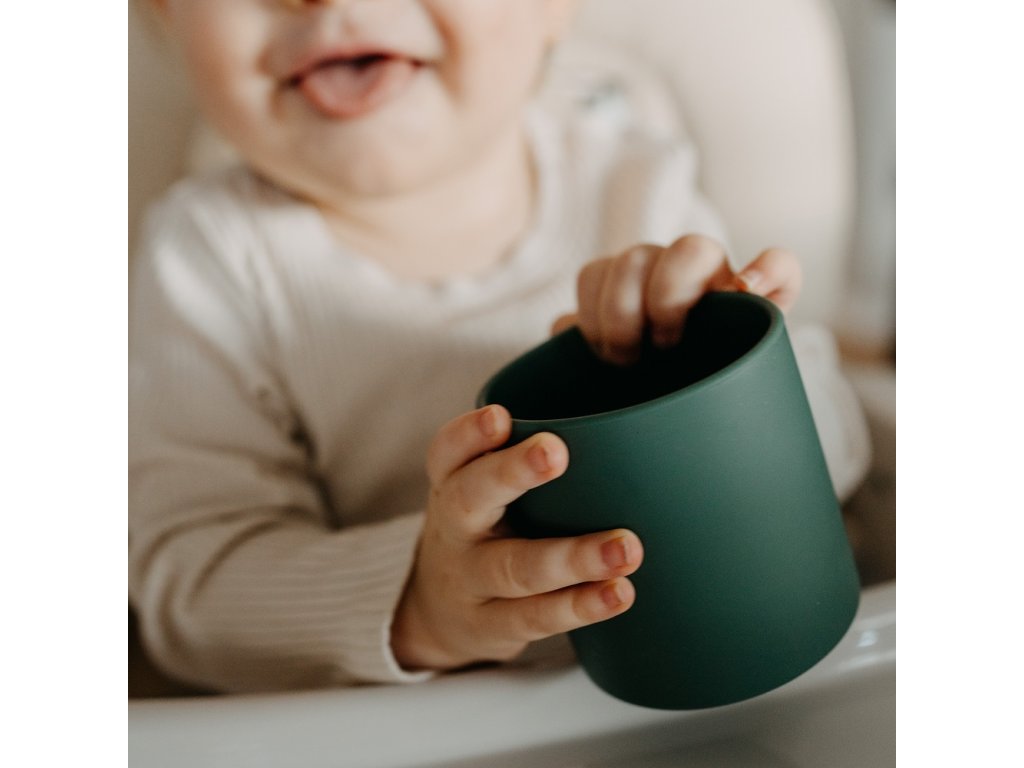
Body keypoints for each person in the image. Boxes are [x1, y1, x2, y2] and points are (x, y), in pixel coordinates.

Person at [130, 0, 870, 693]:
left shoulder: (639, 185)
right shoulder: (205, 259)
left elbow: (843, 447)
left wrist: (750, 377)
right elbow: (191, 588)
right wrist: (420, 608)